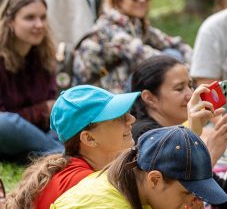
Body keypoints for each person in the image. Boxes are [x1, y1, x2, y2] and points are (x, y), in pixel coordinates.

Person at [128, 55, 227, 209]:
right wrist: (211, 152)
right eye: (179, 88)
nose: (190, 95)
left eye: (190, 85)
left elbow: (226, 202)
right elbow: (176, 189)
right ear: (149, 98)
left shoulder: (176, 131)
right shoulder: (146, 136)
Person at [10, 84, 138, 209]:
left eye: (127, 112)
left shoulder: (76, 172)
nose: (131, 119)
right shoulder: (86, 184)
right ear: (89, 138)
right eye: (119, 116)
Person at [49, 125, 227, 209]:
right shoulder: (106, 205)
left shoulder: (135, 187)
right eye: (186, 193)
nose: (193, 202)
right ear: (155, 179)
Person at [72, 0, 193, 93]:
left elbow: (175, 42)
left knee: (172, 53)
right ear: (118, 0)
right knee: (163, 69)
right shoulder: (108, 28)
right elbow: (144, 55)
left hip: (120, 82)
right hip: (99, 90)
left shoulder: (136, 24)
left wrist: (192, 61)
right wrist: (188, 73)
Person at [0, 0, 61, 159]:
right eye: (30, 18)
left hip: (40, 134)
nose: (39, 25)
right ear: (10, 22)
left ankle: (48, 153)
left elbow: (52, 108)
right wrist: (41, 110)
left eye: (42, 17)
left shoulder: (44, 56)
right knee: (4, 123)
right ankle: (60, 155)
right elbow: (7, 120)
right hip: (9, 134)